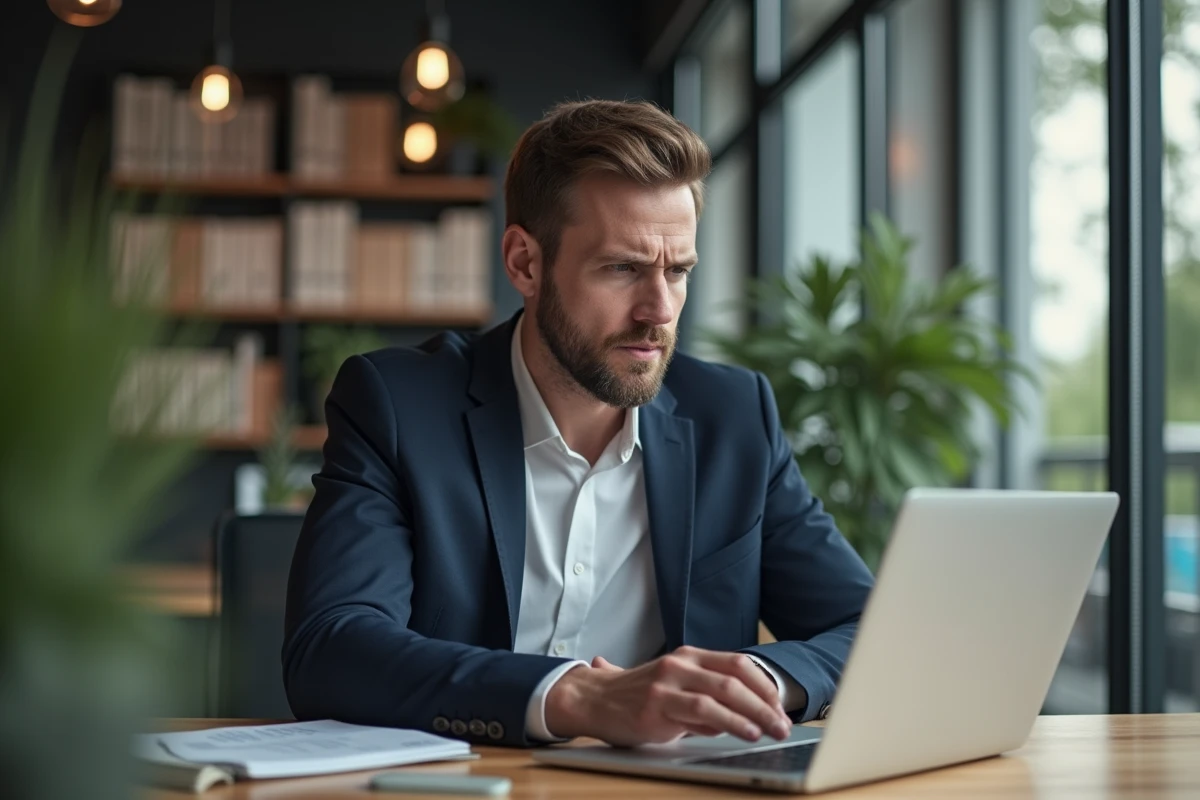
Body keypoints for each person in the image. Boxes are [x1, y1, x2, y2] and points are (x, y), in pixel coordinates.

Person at [282, 99, 875, 749]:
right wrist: (574, 697)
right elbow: (332, 648)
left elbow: (871, 627)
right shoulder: (399, 405)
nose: (659, 310)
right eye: (622, 269)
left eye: (677, 271)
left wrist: (759, 680)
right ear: (524, 264)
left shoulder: (733, 416)